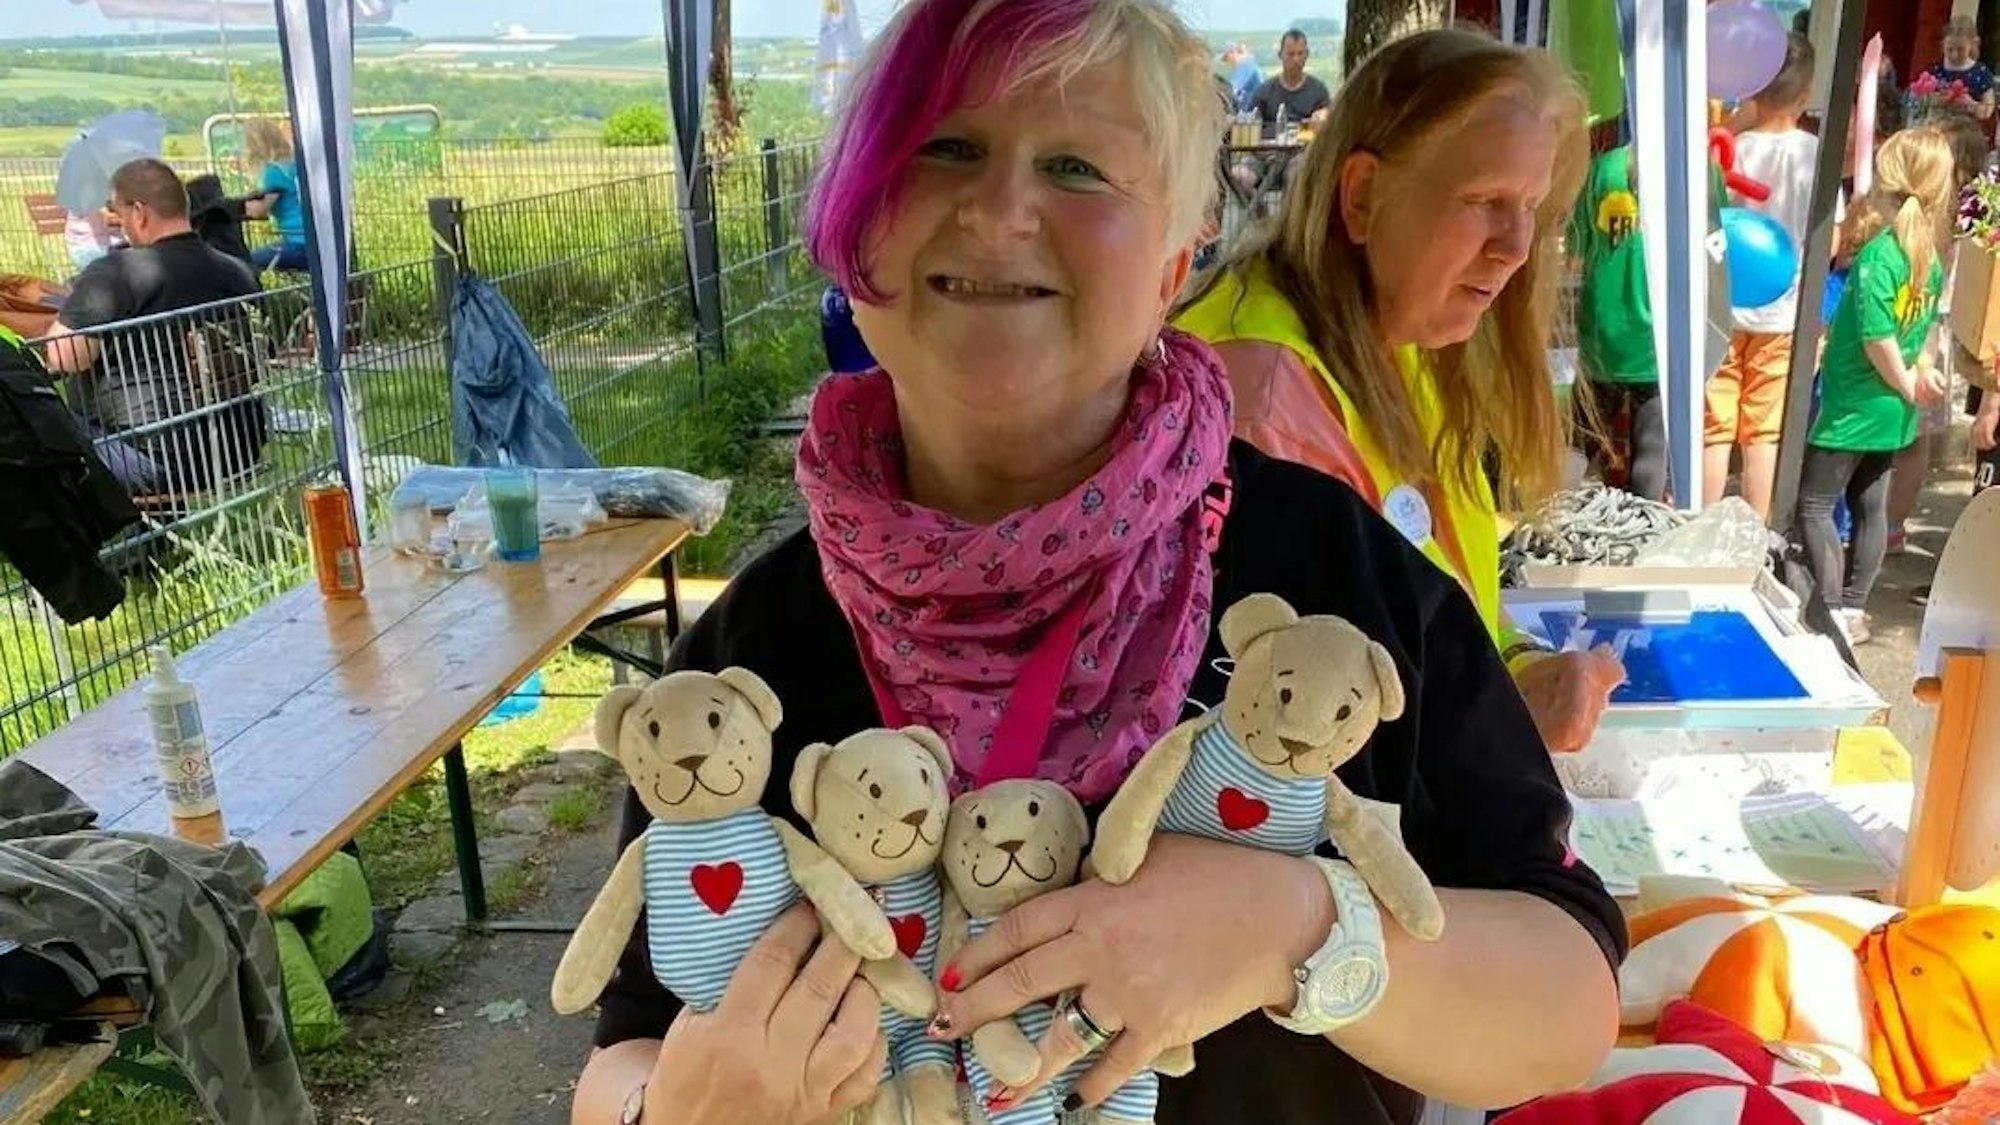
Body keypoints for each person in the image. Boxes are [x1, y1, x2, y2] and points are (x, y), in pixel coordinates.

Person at [569, 5, 1624, 1125]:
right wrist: (672, 1112)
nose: (996, 207)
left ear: (1174, 261)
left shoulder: (1321, 576)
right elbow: (626, 1051)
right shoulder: (755, 644)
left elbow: (1567, 1005)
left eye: (1076, 167)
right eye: (943, 147)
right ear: (860, 224)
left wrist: (1290, 929)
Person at [1177, 29, 1625, 756]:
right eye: (1483, 200)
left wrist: (1518, 669)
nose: (1515, 248)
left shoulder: (1401, 341)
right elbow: (1287, 734)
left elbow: (1441, 593)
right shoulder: (1261, 402)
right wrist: (1498, 726)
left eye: (1532, 209)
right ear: (1361, 196)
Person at [1796, 126, 1955, 647]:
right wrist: (1921, 371)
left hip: (1855, 405)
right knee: (1870, 507)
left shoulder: (1879, 256)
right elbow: (1924, 327)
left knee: (1816, 506)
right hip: (1890, 411)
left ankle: (1833, 608)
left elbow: (1878, 337)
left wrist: (1910, 379)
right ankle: (1856, 608)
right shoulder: (1926, 255)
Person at [38, 158, 266, 496]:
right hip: (240, 450)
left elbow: (64, 358)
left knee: (37, 446)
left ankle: (120, 543)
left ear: (140, 212)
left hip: (153, 457)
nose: (119, 225)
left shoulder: (116, 273)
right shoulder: (239, 271)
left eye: (118, 212)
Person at [1704, 32, 1818, 519]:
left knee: (1714, 424)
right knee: (1763, 429)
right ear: (1806, 93)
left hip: (1723, 303)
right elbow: (1827, 239)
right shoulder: (1815, 154)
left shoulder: (1733, 147)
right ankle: (1755, 524)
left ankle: (1700, 517)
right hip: (1784, 311)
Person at [1569, 139, 1667, 501]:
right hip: (1661, 338)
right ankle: (1646, 538)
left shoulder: (1601, 169)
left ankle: (1550, 524)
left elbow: (1576, 258)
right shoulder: (1696, 170)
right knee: (1652, 447)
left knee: (1579, 439)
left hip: (1603, 331)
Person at [241, 118, 310, 273]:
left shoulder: (273, 172)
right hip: (314, 240)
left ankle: (257, 297)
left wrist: (240, 206)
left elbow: (260, 211)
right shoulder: (295, 164)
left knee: (244, 263)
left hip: (298, 243)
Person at [1919, 16, 1996, 123]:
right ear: (1943, 45)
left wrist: (1971, 104)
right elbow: (1919, 102)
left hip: (1966, 131)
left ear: (1972, 44)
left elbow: (1988, 110)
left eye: (1961, 49)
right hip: (1938, 128)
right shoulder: (1936, 70)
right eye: (1949, 49)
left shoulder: (1981, 72)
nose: (1954, 55)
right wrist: (1935, 99)